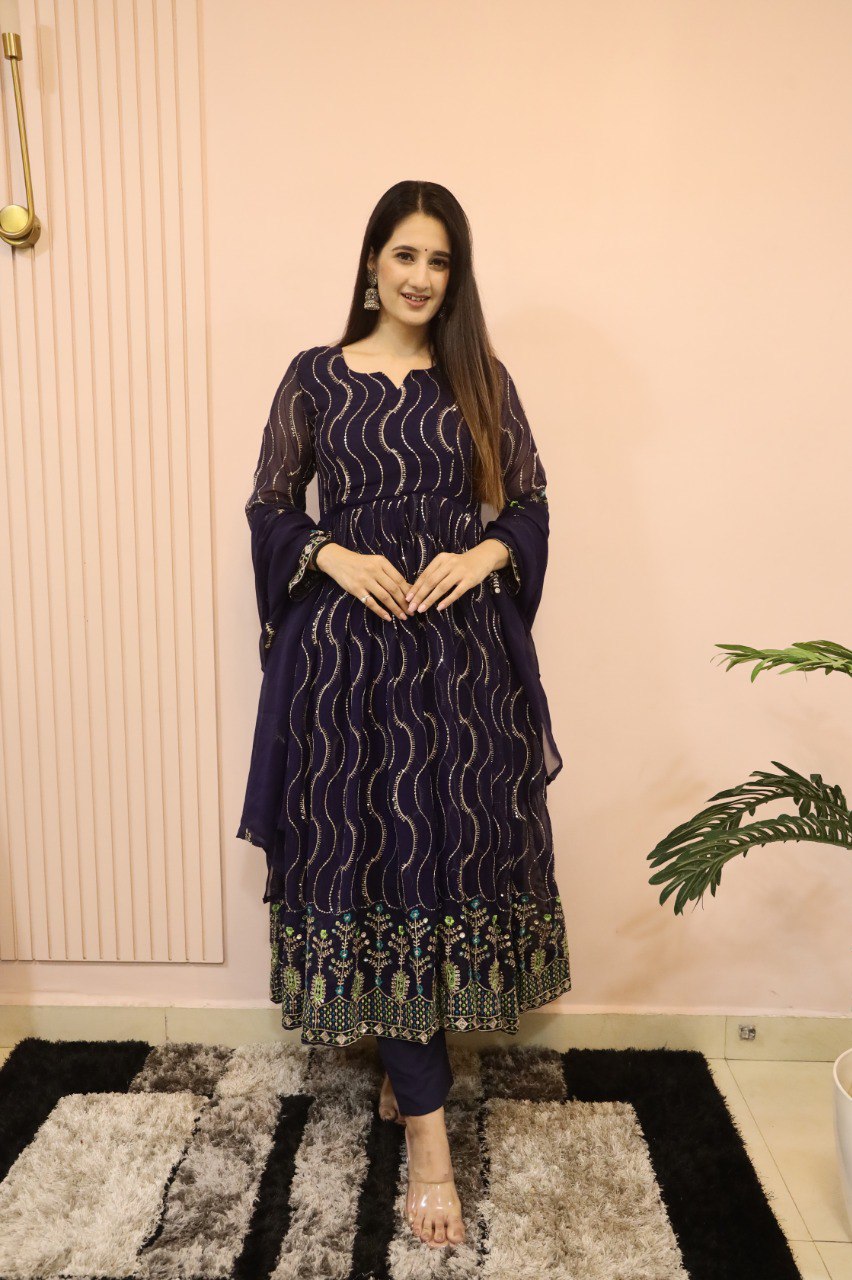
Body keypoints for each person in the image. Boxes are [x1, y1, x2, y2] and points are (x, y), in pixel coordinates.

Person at [236, 180, 572, 1250]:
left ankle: (408, 1059)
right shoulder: (315, 376)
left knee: (438, 863)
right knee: (372, 864)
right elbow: (270, 505)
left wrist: (485, 550)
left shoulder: (480, 379)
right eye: (404, 254)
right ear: (370, 263)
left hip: (459, 669)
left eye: (439, 260)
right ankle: (429, 1139)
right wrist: (328, 551)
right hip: (344, 668)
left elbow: (529, 501)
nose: (421, 276)